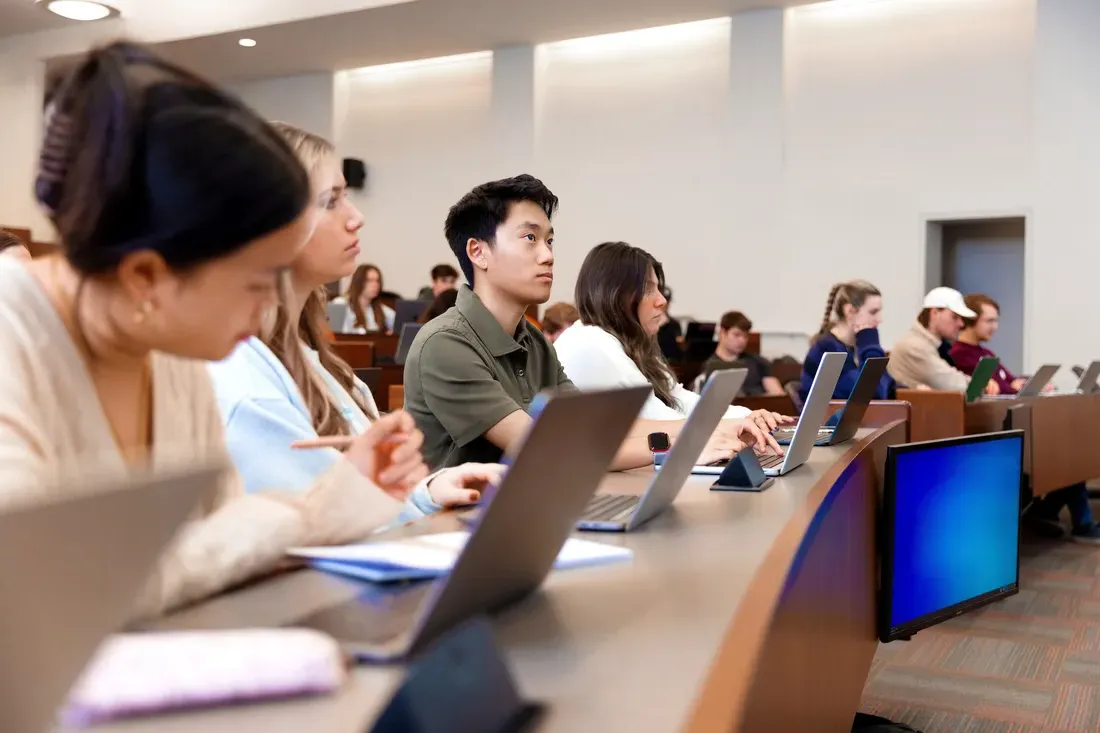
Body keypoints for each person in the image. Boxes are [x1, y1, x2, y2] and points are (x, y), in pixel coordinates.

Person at [0, 42, 438, 620]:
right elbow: (55, 594)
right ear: (147, 278)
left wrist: (334, 501)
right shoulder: (15, 343)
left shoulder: (170, 349)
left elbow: (218, 531)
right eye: (258, 283)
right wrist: (304, 517)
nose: (267, 311)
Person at [208, 123, 497, 512]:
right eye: (331, 201)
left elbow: (368, 494)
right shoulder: (243, 380)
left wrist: (429, 491)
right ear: (268, 224)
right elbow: (324, 519)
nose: (356, 217)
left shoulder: (313, 360)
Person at [404, 176, 775, 470]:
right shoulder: (446, 343)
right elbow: (545, 448)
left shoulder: (533, 341)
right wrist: (686, 440)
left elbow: (593, 433)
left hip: (534, 511)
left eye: (550, 240)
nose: (548, 255)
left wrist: (711, 429)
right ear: (478, 252)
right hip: (453, 535)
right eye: (530, 238)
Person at [553, 242, 791, 441]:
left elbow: (680, 399)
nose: (661, 301)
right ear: (614, 294)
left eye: (660, 290)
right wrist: (738, 423)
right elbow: (662, 420)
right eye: (649, 290)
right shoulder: (595, 344)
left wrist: (747, 415)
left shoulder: (632, 342)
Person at [887, 287, 998, 394]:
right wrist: (982, 385)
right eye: (954, 317)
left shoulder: (931, 344)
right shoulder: (914, 347)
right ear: (935, 313)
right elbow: (950, 383)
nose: (961, 324)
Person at [801, 281, 895, 401]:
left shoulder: (855, 347)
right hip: (828, 419)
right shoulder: (827, 350)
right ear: (849, 311)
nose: (880, 319)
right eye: (873, 312)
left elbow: (889, 389)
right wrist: (870, 345)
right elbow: (870, 396)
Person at [949, 293, 1034, 395]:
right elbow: (998, 389)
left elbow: (1009, 380)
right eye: (989, 321)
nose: (995, 327)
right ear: (970, 320)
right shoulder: (959, 354)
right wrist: (1014, 388)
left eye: (996, 321)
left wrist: (1022, 385)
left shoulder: (986, 353)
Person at [704, 311, 784, 397]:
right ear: (722, 333)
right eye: (737, 335)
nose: (742, 340)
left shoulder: (758, 362)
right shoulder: (709, 366)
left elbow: (778, 396)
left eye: (745, 336)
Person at [341, 264, 394, 333]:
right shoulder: (341, 304)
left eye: (377, 281)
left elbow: (398, 326)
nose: (375, 285)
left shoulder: (383, 310)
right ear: (358, 282)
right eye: (370, 280)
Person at [655, 286, 683, 362]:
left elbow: (680, 343)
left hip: (673, 361)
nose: (666, 304)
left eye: (668, 301)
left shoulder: (674, 323)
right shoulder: (652, 323)